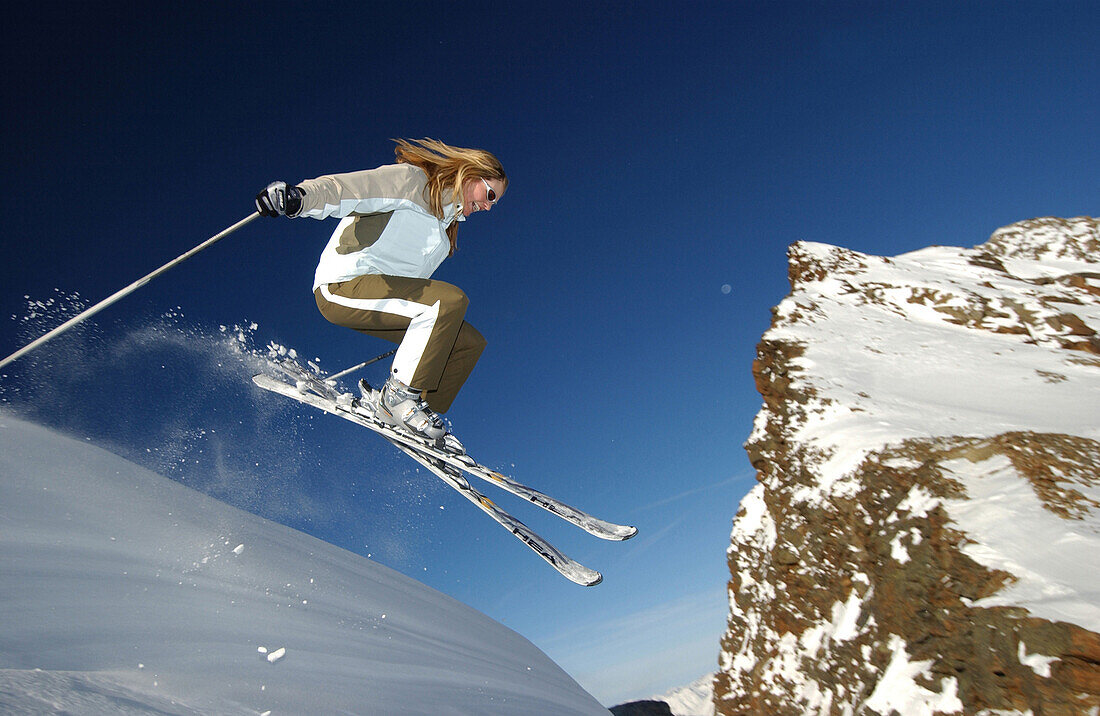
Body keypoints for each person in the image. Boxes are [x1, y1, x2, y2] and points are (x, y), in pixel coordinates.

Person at [255, 138, 507, 451]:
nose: (487, 206)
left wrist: (430, 335)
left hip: (379, 297)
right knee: (449, 301)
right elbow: (351, 189)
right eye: (490, 195)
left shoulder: (444, 231)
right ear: (470, 175)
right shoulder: (414, 182)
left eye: (493, 204)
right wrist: (300, 196)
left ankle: (416, 414)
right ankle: (398, 399)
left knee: (468, 342)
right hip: (343, 284)